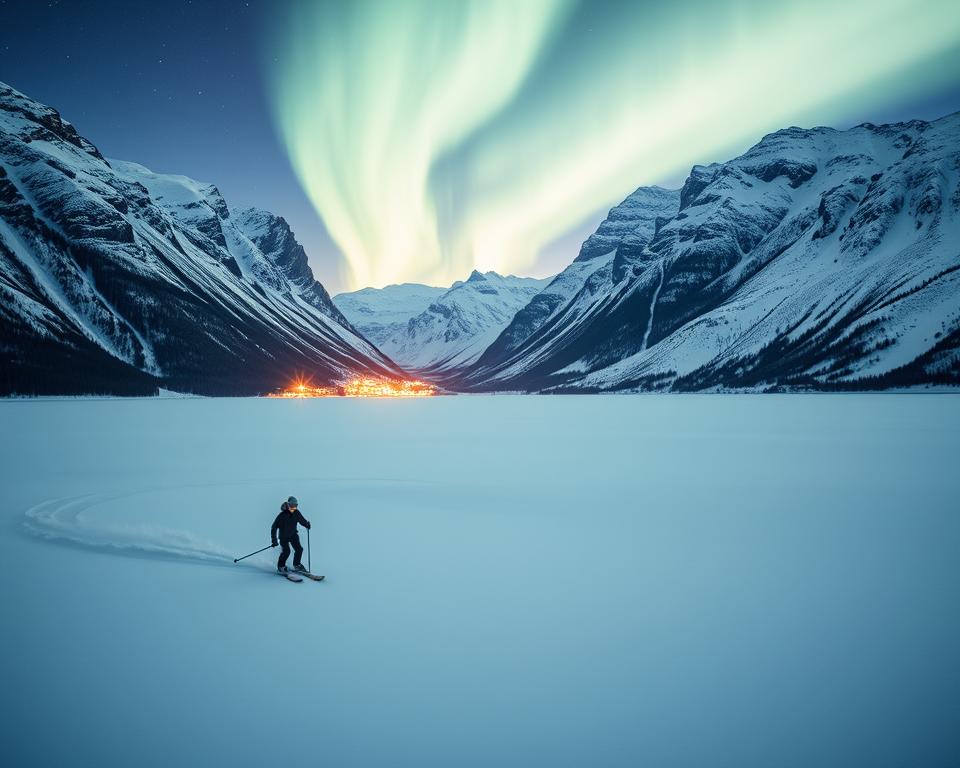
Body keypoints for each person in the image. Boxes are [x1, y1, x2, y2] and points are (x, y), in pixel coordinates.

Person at [271, 495, 311, 573]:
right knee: (286, 551)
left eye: (295, 505)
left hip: (293, 535)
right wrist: (274, 540)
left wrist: (307, 524)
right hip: (283, 537)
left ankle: (297, 565)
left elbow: (302, 520)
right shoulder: (282, 515)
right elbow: (274, 527)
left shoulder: (296, 513)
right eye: (292, 505)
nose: (294, 507)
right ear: (288, 505)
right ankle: (281, 566)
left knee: (299, 549)